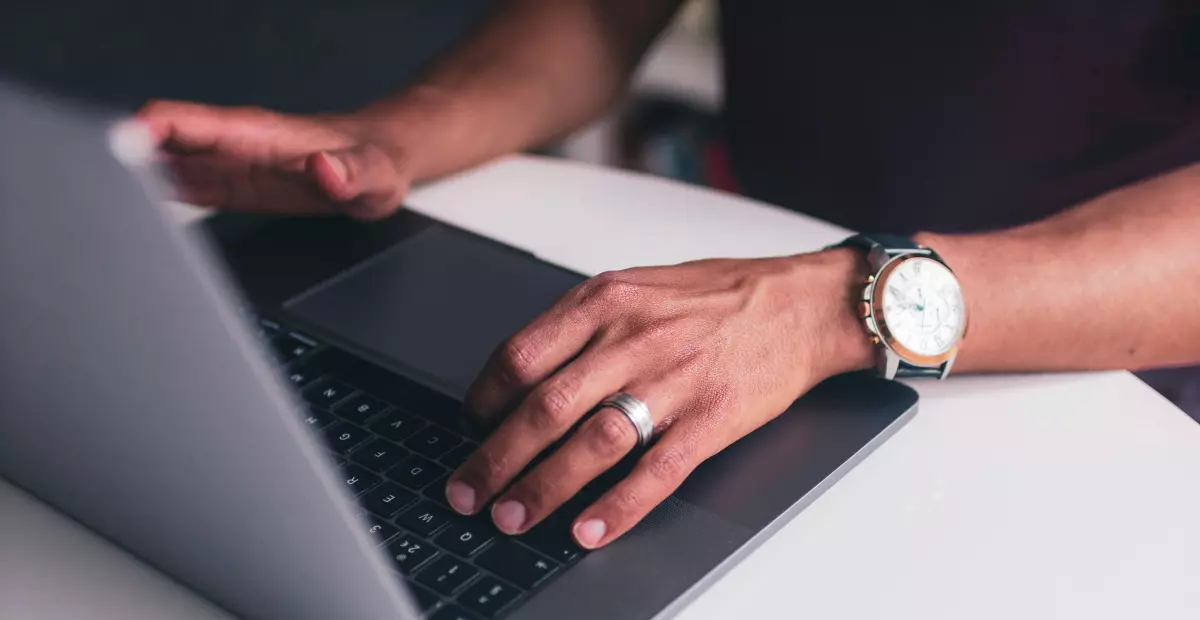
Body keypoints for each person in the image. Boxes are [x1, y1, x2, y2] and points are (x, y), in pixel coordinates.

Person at [137, 0, 1200, 550]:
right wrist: (398, 136)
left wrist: (838, 301)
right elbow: (601, 13)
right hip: (761, 331)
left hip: (1100, 390)